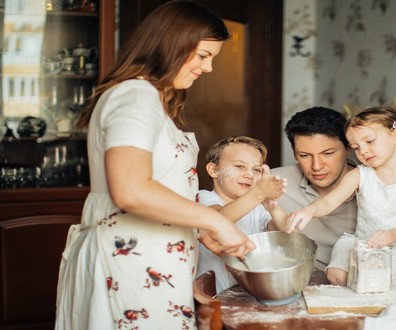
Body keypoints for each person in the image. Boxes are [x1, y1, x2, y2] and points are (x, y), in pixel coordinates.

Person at [55, 2, 255, 329]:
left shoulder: (149, 99)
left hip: (150, 261)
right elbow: (130, 190)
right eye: (203, 55)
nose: (208, 68)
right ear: (171, 44)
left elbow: (161, 187)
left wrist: (200, 230)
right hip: (130, 263)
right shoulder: (135, 96)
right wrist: (215, 221)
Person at [271, 106, 396, 276]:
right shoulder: (272, 183)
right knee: (342, 274)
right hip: (344, 259)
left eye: (327, 153)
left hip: (393, 250)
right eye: (304, 155)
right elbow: (327, 203)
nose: (317, 166)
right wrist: (309, 210)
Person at [196, 136, 288, 292]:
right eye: (239, 166)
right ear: (213, 170)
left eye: (257, 170)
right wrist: (258, 193)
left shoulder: (257, 208)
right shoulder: (203, 197)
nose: (250, 175)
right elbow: (216, 221)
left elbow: (289, 234)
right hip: (214, 299)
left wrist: (274, 208)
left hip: (251, 294)